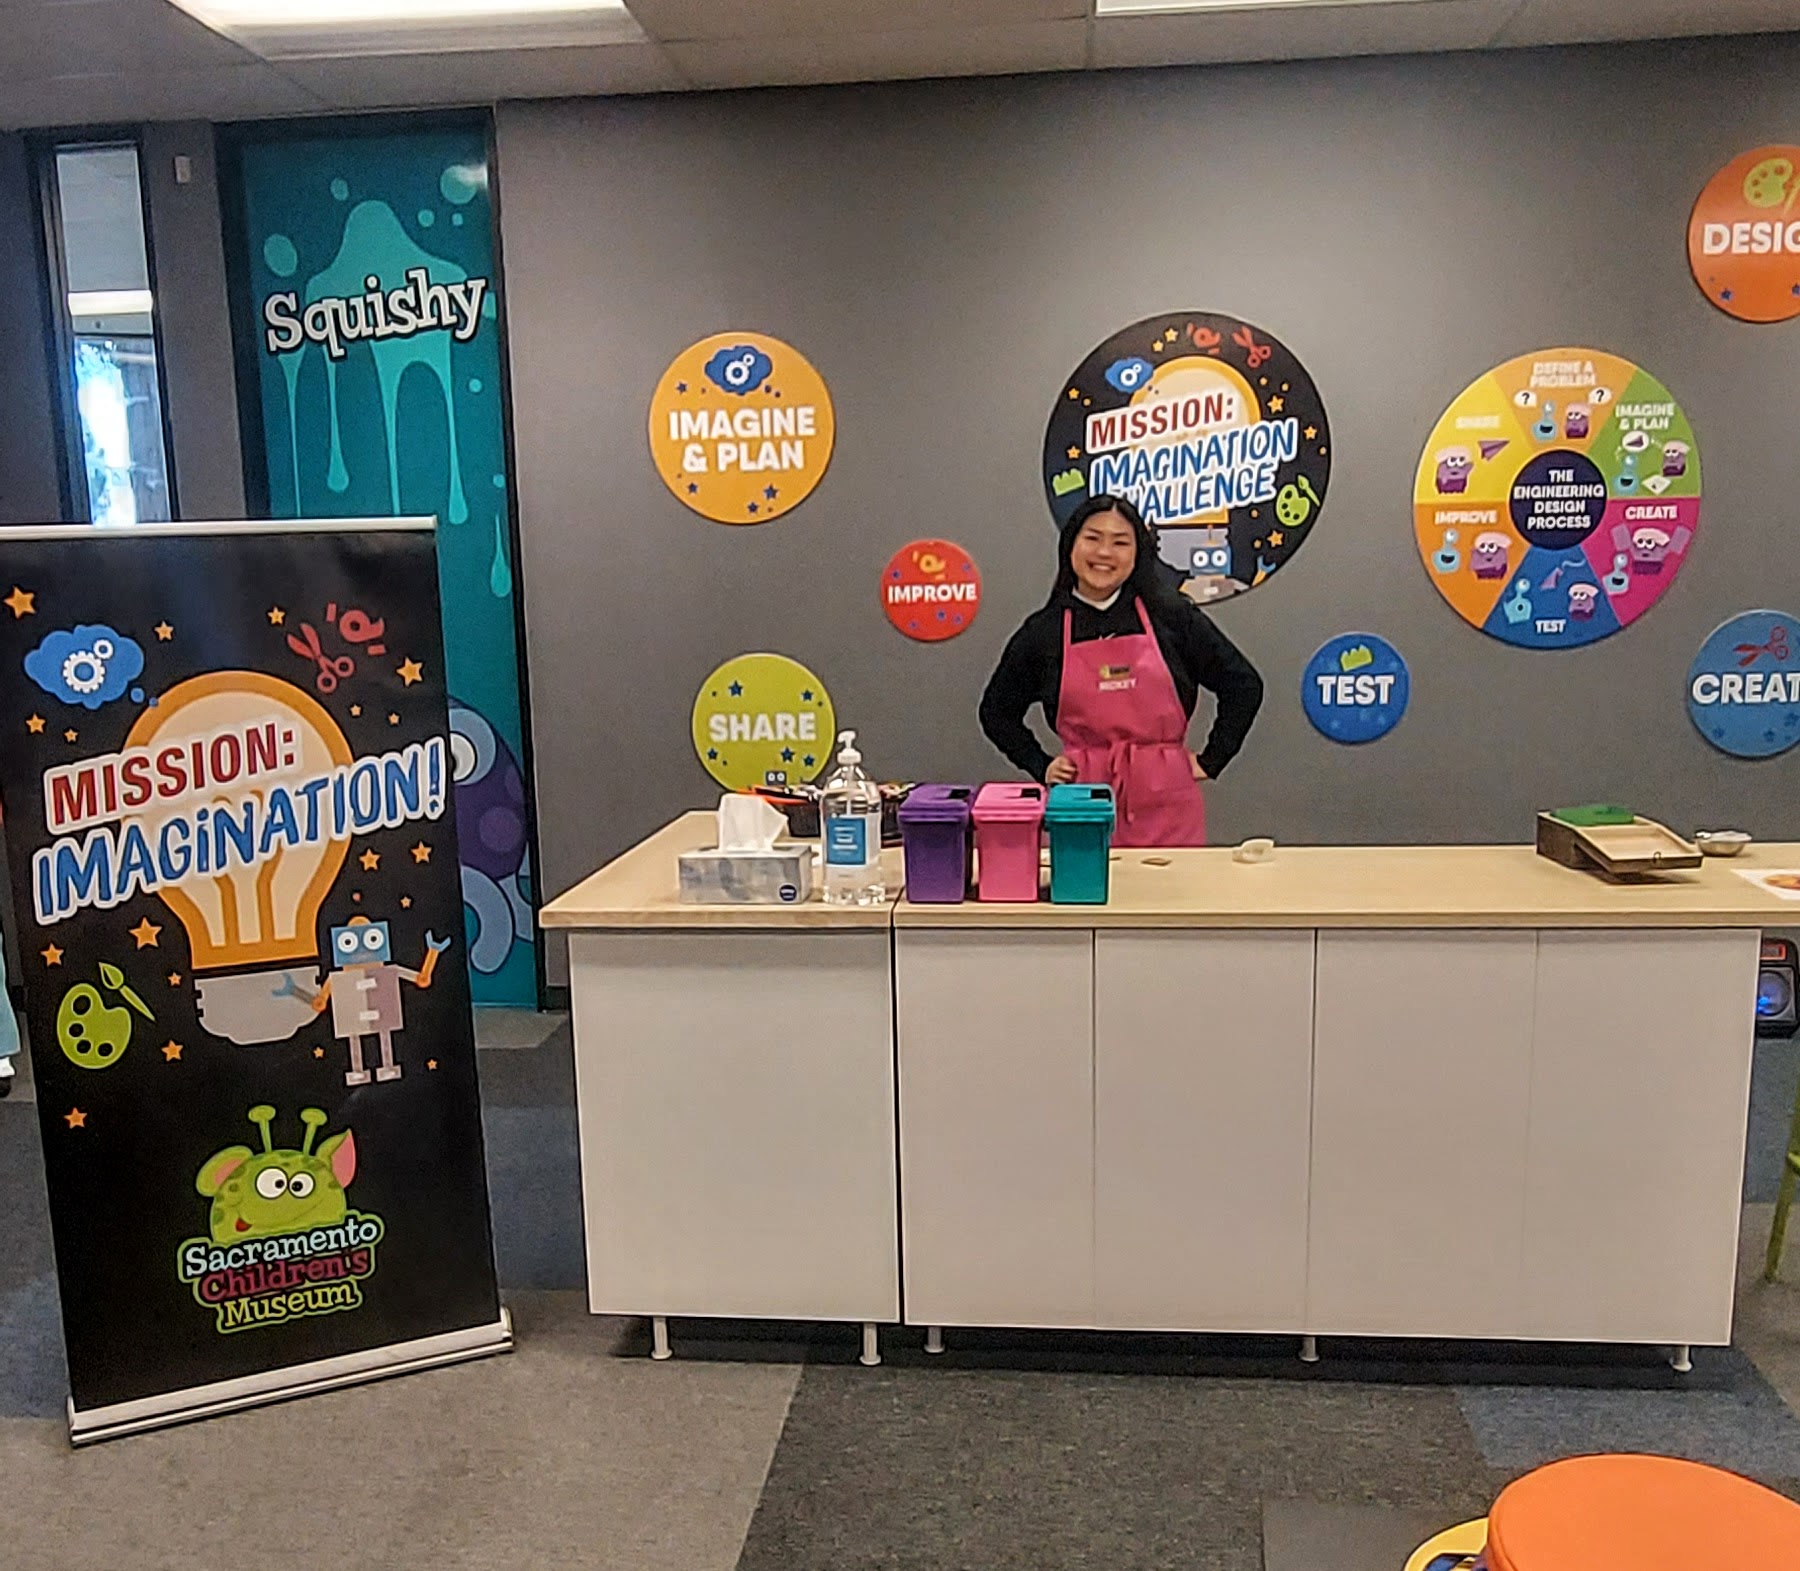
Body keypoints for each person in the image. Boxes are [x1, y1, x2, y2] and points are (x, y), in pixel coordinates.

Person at [979, 494, 1263, 847]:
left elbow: (1243, 684)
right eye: (1092, 538)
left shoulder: (1172, 617)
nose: (1104, 553)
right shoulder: (1043, 632)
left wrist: (1212, 759)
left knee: (1173, 899)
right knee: (1086, 896)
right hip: (1082, 806)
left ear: (1137, 553)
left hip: (1167, 803)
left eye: (1120, 542)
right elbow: (996, 712)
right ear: (1071, 545)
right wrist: (1040, 765)